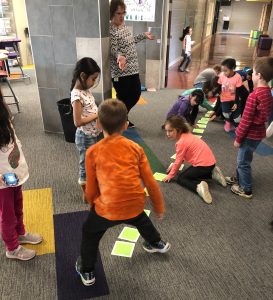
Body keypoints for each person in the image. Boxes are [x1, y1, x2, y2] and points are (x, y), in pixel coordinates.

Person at [75, 99, 170, 286]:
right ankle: (156, 243)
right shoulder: (136, 148)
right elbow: (150, 183)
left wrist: (91, 203)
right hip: (134, 204)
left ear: (98, 123)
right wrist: (158, 207)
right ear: (126, 125)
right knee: (140, 218)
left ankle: (87, 270)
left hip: (107, 208)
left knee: (89, 232)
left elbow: (91, 186)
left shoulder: (93, 151)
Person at [0, 89, 42, 261]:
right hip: (2, 180)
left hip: (14, 173)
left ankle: (20, 232)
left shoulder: (2, 111)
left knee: (18, 204)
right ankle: (12, 247)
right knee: (7, 213)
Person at [225, 57, 273, 199]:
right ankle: (240, 179)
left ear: (259, 76)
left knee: (243, 162)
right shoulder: (268, 93)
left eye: (253, 73)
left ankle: (246, 189)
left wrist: (238, 138)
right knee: (245, 158)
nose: (251, 75)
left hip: (249, 135)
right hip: (257, 134)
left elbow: (246, 120)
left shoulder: (254, 96)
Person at [110, 0, 154, 128]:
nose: (122, 16)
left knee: (135, 94)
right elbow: (113, 49)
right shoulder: (111, 29)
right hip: (121, 71)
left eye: (123, 13)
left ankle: (120, 117)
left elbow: (130, 41)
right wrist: (119, 56)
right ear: (112, 13)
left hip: (133, 68)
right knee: (124, 97)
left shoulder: (124, 26)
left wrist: (143, 35)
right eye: (118, 13)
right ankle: (119, 118)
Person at [163, 116, 227, 204]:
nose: (167, 133)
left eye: (170, 131)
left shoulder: (181, 142)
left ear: (179, 130)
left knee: (181, 178)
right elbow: (180, 158)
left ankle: (198, 188)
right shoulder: (187, 135)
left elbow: (178, 161)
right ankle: (212, 174)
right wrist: (174, 165)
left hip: (203, 166)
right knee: (193, 172)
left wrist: (170, 175)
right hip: (210, 163)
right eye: (166, 130)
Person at [71, 57, 102, 194]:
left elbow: (90, 110)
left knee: (94, 161)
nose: (94, 82)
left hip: (93, 134)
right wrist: (98, 114)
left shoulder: (85, 90)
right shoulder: (76, 95)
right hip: (85, 137)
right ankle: (86, 190)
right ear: (83, 76)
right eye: (93, 79)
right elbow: (77, 122)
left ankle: (93, 183)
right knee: (85, 164)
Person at [212, 58, 249, 132]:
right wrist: (213, 93)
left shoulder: (238, 77)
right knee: (226, 113)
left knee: (237, 117)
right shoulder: (222, 75)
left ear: (232, 69)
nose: (224, 73)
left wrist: (236, 102)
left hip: (235, 98)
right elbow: (219, 86)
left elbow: (238, 91)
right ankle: (228, 122)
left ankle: (236, 126)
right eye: (223, 71)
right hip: (224, 99)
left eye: (226, 71)